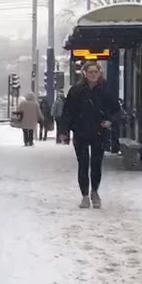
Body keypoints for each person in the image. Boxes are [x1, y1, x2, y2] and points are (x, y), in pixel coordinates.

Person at [60, 60, 122, 209]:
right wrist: (64, 131)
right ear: (85, 74)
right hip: (80, 131)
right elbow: (67, 112)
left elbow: (117, 110)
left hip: (99, 131)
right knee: (83, 164)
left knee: (96, 163)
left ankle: (95, 191)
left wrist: (110, 121)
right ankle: (85, 196)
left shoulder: (106, 90)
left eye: (96, 72)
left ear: (100, 73)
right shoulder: (76, 91)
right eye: (90, 72)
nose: (93, 74)